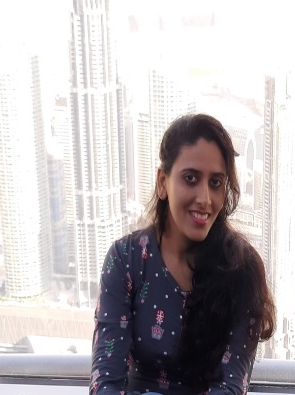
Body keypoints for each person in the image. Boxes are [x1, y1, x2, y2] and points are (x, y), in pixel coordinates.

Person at [90, 113, 275, 395]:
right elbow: (106, 380)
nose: (205, 198)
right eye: (190, 179)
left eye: (216, 183)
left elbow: (229, 386)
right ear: (162, 182)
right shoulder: (127, 259)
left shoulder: (242, 269)